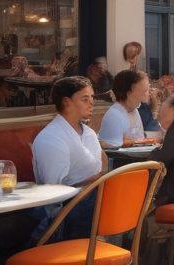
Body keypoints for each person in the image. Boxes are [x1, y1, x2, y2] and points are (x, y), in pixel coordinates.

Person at [31, 76, 104, 239]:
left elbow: (98, 170)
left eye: (92, 98)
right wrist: (93, 182)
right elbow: (53, 189)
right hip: (61, 214)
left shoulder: (90, 134)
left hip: (90, 204)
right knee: (103, 193)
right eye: (85, 99)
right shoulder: (51, 137)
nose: (92, 103)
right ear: (66, 102)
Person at [98, 69, 150, 147]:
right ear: (129, 93)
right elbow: (112, 149)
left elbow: (140, 141)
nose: (150, 91)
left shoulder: (134, 110)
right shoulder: (114, 115)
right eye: (146, 89)